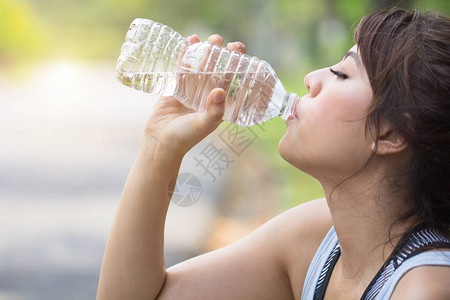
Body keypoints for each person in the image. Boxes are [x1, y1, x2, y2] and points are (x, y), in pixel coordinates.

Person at [97, 7, 450, 299]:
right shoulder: (317, 239)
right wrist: (159, 148)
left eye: (341, 73)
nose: (311, 79)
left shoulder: (425, 289)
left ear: (389, 133)